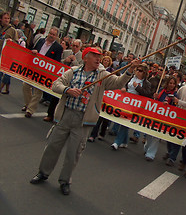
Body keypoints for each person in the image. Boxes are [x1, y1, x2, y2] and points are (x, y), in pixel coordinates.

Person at [29, 47, 139, 195]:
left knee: (73, 153)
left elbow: (118, 83)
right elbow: (56, 84)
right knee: (52, 146)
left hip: (83, 120)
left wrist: (130, 71)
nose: (98, 58)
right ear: (86, 57)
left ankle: (65, 180)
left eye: (99, 56)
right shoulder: (73, 71)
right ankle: (43, 173)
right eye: (94, 55)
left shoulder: (102, 75)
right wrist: (67, 90)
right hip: (65, 115)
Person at [22, 27, 63, 118]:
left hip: (44, 72)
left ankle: (30, 110)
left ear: (56, 36)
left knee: (38, 91)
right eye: (50, 33)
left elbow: (56, 62)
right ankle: (28, 104)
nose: (51, 36)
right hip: (33, 68)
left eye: (53, 34)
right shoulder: (40, 41)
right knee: (25, 86)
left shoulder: (58, 47)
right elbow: (32, 49)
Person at [111, 63, 152, 149]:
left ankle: (117, 142)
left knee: (125, 123)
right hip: (126, 101)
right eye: (137, 69)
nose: (137, 72)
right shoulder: (131, 78)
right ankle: (125, 142)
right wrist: (124, 88)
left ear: (144, 73)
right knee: (122, 121)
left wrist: (137, 87)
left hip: (135, 105)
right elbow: (123, 83)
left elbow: (147, 94)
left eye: (140, 71)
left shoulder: (146, 83)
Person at [144, 76, 178, 161]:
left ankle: (151, 154)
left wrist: (169, 105)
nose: (172, 85)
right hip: (155, 115)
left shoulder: (175, 95)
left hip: (164, 118)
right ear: (167, 83)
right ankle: (146, 148)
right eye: (170, 83)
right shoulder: (161, 91)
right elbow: (154, 101)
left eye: (173, 83)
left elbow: (175, 107)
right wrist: (155, 96)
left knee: (156, 136)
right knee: (149, 133)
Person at [0, 11, 18, 94]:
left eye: (8, 18)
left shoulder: (12, 30)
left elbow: (17, 43)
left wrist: (12, 41)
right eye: (5, 18)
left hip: (4, 56)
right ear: (1, 19)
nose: (7, 20)